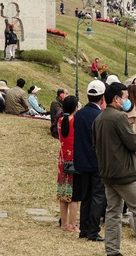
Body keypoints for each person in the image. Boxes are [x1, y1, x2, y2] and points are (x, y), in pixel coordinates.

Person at [92, 81, 136, 256]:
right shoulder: (119, 118)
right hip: (124, 173)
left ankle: (112, 250)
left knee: (113, 212)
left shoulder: (99, 118)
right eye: (125, 97)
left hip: (107, 172)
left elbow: (95, 145)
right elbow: (132, 143)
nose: (127, 101)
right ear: (117, 99)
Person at [73, 80, 107, 242]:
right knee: (98, 196)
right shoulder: (100, 116)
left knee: (85, 196)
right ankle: (93, 231)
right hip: (97, 162)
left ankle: (84, 229)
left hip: (81, 161)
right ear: (102, 98)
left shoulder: (79, 114)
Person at [57, 96, 79, 233]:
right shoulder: (75, 122)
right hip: (74, 159)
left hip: (62, 159)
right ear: (76, 108)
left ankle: (64, 223)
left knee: (63, 192)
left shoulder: (60, 121)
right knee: (74, 195)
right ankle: (72, 224)